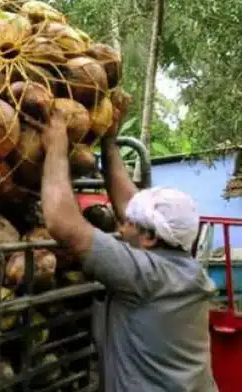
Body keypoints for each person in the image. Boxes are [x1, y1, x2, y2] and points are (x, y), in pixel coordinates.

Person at [40, 95, 218, 392]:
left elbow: (61, 222)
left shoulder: (145, 275)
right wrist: (110, 142)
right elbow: (130, 203)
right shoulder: (186, 267)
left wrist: (57, 145)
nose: (121, 226)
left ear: (149, 238)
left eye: (128, 223)